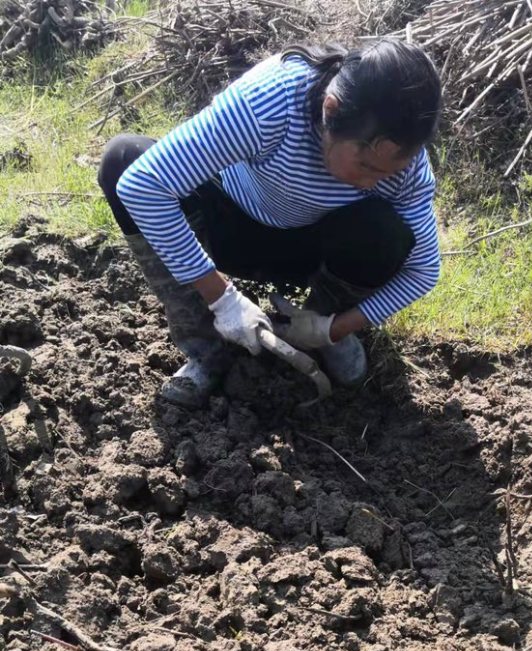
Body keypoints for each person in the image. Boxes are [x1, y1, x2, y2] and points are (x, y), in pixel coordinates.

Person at [97, 40, 442, 408]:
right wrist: (222, 298)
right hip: (231, 226)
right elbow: (143, 186)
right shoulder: (270, 102)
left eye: (390, 172)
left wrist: (332, 329)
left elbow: (423, 271)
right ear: (331, 110)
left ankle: (318, 322)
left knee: (384, 231)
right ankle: (206, 351)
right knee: (122, 158)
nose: (375, 182)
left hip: (310, 252)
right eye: (368, 168)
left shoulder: (403, 166)